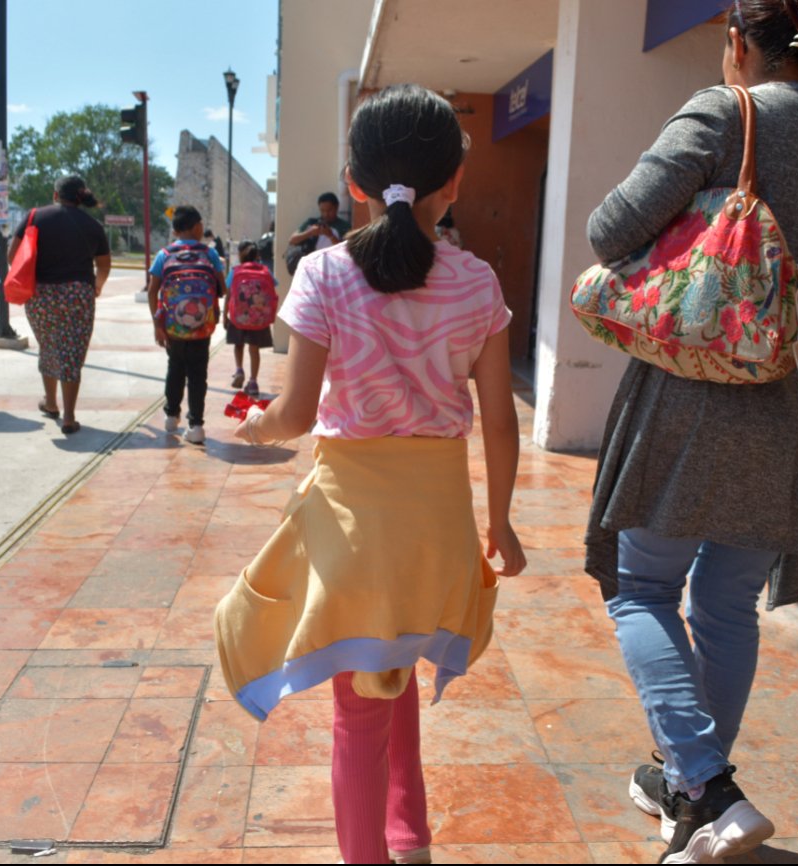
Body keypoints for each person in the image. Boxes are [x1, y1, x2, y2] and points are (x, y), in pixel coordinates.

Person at [581, 1, 798, 862]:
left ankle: (707, 786)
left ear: (741, 42)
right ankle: (682, 790)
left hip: (701, 395)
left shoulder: (723, 110)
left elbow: (609, 228)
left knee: (640, 588)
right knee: (723, 601)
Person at [215, 84, 526, 866]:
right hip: (439, 529)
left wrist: (254, 426)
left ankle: (374, 853)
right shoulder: (477, 284)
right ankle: (406, 836)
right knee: (395, 673)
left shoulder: (323, 275)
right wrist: (501, 525)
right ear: (454, 182)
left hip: (355, 531)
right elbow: (497, 419)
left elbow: (291, 416)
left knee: (360, 706)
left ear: (354, 182)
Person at [9, 175, 111, 434]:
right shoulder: (93, 225)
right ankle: (69, 416)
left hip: (40, 296)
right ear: (81, 196)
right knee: (72, 352)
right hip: (78, 296)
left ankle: (51, 402)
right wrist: (97, 285)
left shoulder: (34, 217)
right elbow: (104, 263)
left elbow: (13, 256)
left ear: (55, 195)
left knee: (49, 345)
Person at [146, 205, 225, 445]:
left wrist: (157, 323)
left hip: (174, 327)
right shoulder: (209, 254)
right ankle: (196, 425)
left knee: (175, 368)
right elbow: (221, 287)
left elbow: (152, 291)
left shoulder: (164, 254)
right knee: (198, 374)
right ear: (196, 227)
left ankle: (171, 416)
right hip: (202, 327)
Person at [224, 240, 276, 396]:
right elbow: (272, 290)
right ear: (257, 256)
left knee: (238, 344)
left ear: (241, 256)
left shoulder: (235, 271)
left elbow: (229, 294)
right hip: (258, 317)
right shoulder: (266, 272)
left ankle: (239, 370)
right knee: (254, 349)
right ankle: (253, 382)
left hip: (238, 316)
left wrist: (224, 315)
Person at [285, 191, 351, 273]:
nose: (326, 214)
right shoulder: (312, 223)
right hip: (312, 270)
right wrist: (310, 233)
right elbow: (292, 240)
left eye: (329, 210)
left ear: (337, 207)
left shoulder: (344, 227)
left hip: (335, 270)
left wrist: (330, 236)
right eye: (322, 210)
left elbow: (346, 252)